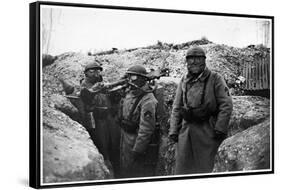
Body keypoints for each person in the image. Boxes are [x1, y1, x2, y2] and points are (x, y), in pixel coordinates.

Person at [168, 46, 233, 175]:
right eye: (190, 59)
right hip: (186, 132)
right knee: (183, 170)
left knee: (205, 169)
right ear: (186, 62)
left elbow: (226, 104)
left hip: (207, 130)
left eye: (198, 59)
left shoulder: (215, 78)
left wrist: (220, 128)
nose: (194, 62)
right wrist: (174, 130)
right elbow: (177, 106)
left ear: (204, 61)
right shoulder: (184, 80)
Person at [80, 61, 121, 177]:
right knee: (103, 145)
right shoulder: (84, 87)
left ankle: (117, 168)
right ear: (86, 73)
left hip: (109, 117)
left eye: (98, 70)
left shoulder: (102, 83)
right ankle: (108, 169)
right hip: (98, 120)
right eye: (92, 71)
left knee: (115, 142)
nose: (96, 73)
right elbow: (86, 102)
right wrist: (94, 90)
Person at [118, 65, 158, 178]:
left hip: (135, 141)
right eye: (129, 76)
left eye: (134, 77)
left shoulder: (148, 99)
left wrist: (138, 149)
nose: (130, 80)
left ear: (142, 79)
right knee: (124, 168)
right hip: (125, 138)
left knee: (135, 172)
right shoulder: (130, 93)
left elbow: (146, 128)